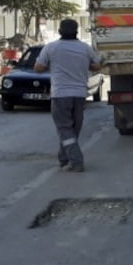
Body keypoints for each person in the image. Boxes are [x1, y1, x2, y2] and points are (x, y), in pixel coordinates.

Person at [35, 19, 102, 173]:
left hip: (60, 95)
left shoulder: (51, 48)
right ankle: (64, 158)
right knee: (72, 130)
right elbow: (97, 66)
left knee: (65, 129)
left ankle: (76, 161)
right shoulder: (85, 48)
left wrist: (50, 64)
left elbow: (38, 68)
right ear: (77, 31)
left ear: (60, 31)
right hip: (80, 95)